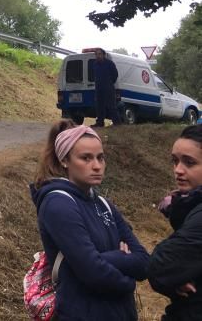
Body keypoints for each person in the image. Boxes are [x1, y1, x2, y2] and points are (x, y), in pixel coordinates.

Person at [30, 120, 148, 320]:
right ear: (64, 160)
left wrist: (99, 261)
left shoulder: (104, 204)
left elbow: (144, 262)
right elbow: (93, 272)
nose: (96, 166)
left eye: (100, 158)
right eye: (86, 158)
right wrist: (126, 271)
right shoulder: (57, 204)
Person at [148, 125, 202, 320]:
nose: (178, 170)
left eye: (189, 162)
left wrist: (171, 278)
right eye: (175, 161)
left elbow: (161, 267)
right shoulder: (188, 205)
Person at [93, 48, 121, 128]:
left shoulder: (109, 63)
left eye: (99, 54)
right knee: (99, 106)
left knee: (111, 106)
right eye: (96, 54)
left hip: (108, 88)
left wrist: (109, 82)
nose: (98, 56)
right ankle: (100, 123)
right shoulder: (95, 64)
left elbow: (115, 74)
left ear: (103, 55)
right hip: (99, 88)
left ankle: (117, 124)